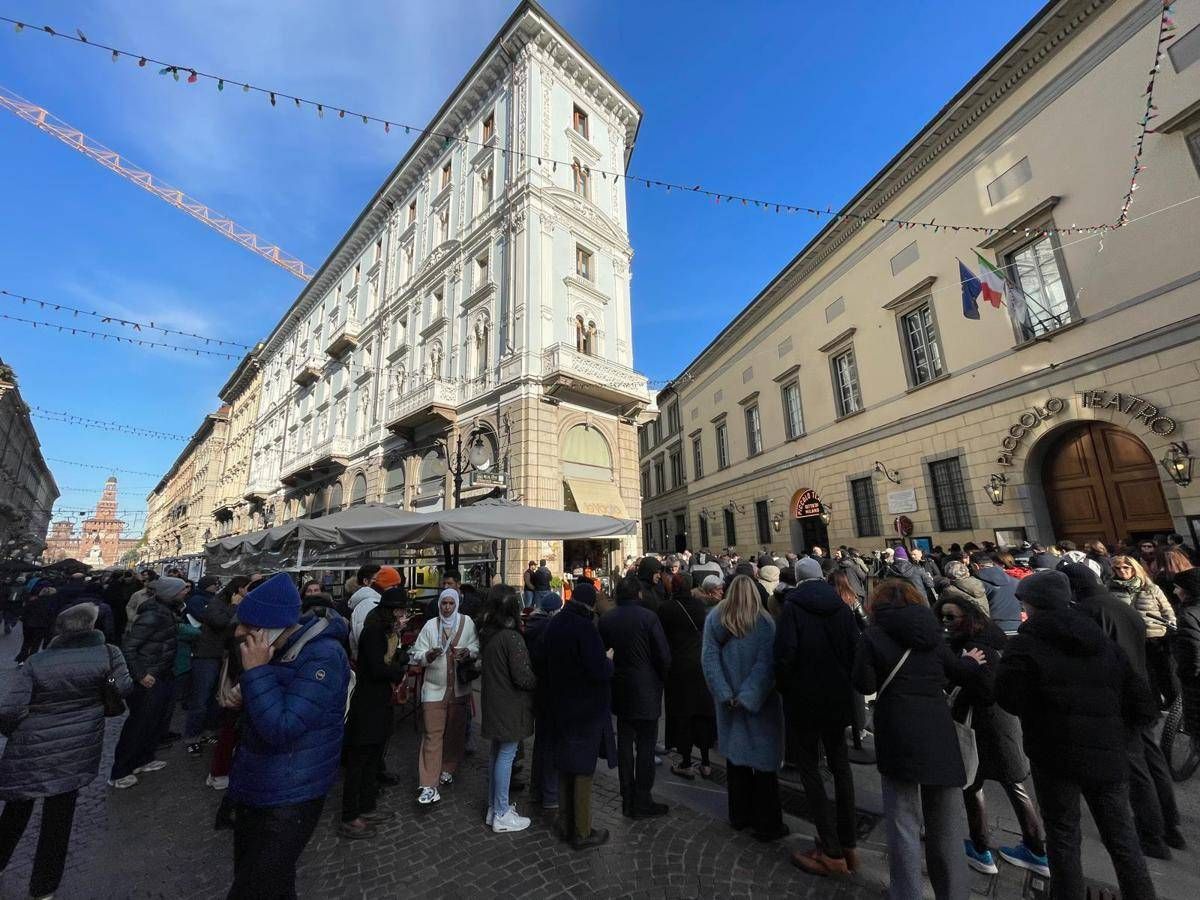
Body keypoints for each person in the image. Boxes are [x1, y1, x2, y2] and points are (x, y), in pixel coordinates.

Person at [996, 571, 1159, 900]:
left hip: (1053, 755)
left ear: (1033, 603)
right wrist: (1116, 735)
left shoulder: (1025, 644)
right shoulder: (1102, 641)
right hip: (1108, 755)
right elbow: (1143, 705)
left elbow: (1008, 699)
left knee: (1063, 836)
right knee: (1123, 838)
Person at [852, 580, 986, 900]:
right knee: (947, 828)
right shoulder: (932, 633)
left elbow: (863, 682)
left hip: (897, 731)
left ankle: (907, 894)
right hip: (937, 733)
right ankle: (953, 894)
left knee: (903, 824)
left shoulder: (872, 635)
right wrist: (972, 661)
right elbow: (957, 671)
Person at [225, 573, 350, 898]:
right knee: (270, 884)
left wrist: (255, 675)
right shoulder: (277, 651)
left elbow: (283, 727)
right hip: (261, 784)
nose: (239, 633)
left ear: (271, 627)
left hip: (290, 793)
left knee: (254, 888)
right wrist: (246, 691)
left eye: (248, 626)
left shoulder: (323, 656)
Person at [0, 603, 132, 899]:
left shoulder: (39, 660)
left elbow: (9, 710)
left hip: (31, 742)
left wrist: (20, 733)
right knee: (59, 820)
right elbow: (123, 688)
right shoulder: (109, 653)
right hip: (77, 745)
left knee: (16, 810)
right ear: (92, 626)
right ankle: (43, 888)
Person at [936, 597, 1047, 878]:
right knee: (1014, 785)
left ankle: (981, 847)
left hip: (982, 726)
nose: (946, 623)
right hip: (1005, 724)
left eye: (952, 617)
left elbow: (984, 689)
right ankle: (1036, 848)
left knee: (973, 784)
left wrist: (962, 669)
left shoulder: (975, 648)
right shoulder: (993, 638)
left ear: (969, 617)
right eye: (944, 618)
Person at [775, 580, 860, 876]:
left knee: (810, 770)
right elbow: (855, 653)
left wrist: (787, 689)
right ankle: (849, 844)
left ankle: (831, 850)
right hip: (837, 700)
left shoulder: (793, 609)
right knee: (841, 766)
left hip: (804, 701)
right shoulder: (842, 609)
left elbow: (784, 654)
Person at [701, 575, 787, 842]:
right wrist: (749, 696)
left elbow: (709, 660)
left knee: (736, 764)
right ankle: (767, 824)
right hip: (759, 706)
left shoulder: (716, 618)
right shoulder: (764, 622)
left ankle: (739, 817)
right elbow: (767, 665)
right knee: (764, 768)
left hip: (729, 704)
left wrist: (725, 693)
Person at [542, 579, 615, 850]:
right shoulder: (585, 628)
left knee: (564, 765)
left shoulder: (555, 623)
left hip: (559, 704)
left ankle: (565, 821)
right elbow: (598, 670)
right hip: (584, 708)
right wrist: (609, 661)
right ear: (590, 604)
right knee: (583, 768)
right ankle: (582, 831)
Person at [340, 586, 411, 839]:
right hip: (367, 704)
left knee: (373, 757)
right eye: (401, 610)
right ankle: (350, 815)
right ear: (391, 611)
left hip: (380, 704)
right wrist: (398, 669)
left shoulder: (388, 633)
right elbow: (377, 669)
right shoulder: (373, 632)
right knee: (359, 760)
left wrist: (400, 655)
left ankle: (367, 806)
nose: (403, 614)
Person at [599, 576, 671, 818]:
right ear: (638, 595)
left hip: (619, 687)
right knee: (646, 746)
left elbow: (602, 653)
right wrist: (660, 679)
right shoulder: (649, 618)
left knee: (625, 744)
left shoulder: (607, 619)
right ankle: (643, 798)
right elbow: (663, 655)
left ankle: (627, 797)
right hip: (646, 688)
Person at [109, 576, 187, 788]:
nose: (185, 592)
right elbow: (129, 647)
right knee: (139, 723)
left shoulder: (166, 611)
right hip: (149, 677)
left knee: (153, 721)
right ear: (171, 593)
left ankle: (143, 759)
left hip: (162, 673)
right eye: (182, 590)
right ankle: (120, 771)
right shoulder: (153, 615)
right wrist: (141, 674)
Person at [411, 588, 479, 805]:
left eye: (451, 603)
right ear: (439, 604)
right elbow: (416, 654)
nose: (447, 607)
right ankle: (428, 784)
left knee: (454, 733)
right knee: (432, 735)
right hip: (434, 689)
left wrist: (468, 652)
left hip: (459, 688)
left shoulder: (467, 623)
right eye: (444, 604)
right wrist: (428, 655)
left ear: (456, 604)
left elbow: (476, 645)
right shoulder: (430, 626)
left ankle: (448, 767)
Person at [479, 586, 537, 833]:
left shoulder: (488, 633)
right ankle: (502, 812)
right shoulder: (511, 637)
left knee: (497, 754)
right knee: (506, 755)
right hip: (509, 704)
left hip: (494, 701)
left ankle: (495, 808)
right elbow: (523, 676)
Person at [658, 569, 717, 779]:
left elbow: (661, 638)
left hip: (679, 668)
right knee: (701, 713)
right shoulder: (701, 607)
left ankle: (685, 762)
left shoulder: (666, 608)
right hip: (700, 665)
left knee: (682, 714)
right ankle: (706, 762)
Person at [183, 574, 233, 755]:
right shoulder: (199, 601)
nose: (217, 586)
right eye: (215, 584)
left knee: (213, 695)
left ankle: (208, 730)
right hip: (204, 654)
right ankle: (192, 736)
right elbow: (218, 621)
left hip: (218, 653)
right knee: (201, 698)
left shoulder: (215, 601)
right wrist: (232, 608)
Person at [523, 586, 561, 812]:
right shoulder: (549, 629)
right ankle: (549, 794)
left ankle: (537, 790)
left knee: (541, 743)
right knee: (550, 743)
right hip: (548, 691)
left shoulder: (531, 625)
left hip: (536, 692)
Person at [1172, 568, 1200, 765]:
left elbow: (1193, 654)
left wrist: (1185, 675)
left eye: (1178, 588)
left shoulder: (1189, 615)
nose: (1175, 592)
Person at [349, 566, 402, 659]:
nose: (395, 589)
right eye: (393, 586)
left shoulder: (377, 603)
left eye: (397, 586)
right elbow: (368, 643)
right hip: (372, 667)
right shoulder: (370, 605)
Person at [969, 552, 1021, 635]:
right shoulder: (1015, 582)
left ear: (975, 566)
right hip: (1017, 626)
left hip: (991, 629)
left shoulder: (976, 584)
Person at [15, 582, 58, 664]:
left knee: (26, 642)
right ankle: (31, 660)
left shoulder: (33, 601)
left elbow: (24, 612)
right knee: (36, 644)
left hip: (28, 625)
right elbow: (51, 617)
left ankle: (21, 659)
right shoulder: (52, 605)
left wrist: (24, 620)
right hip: (41, 626)